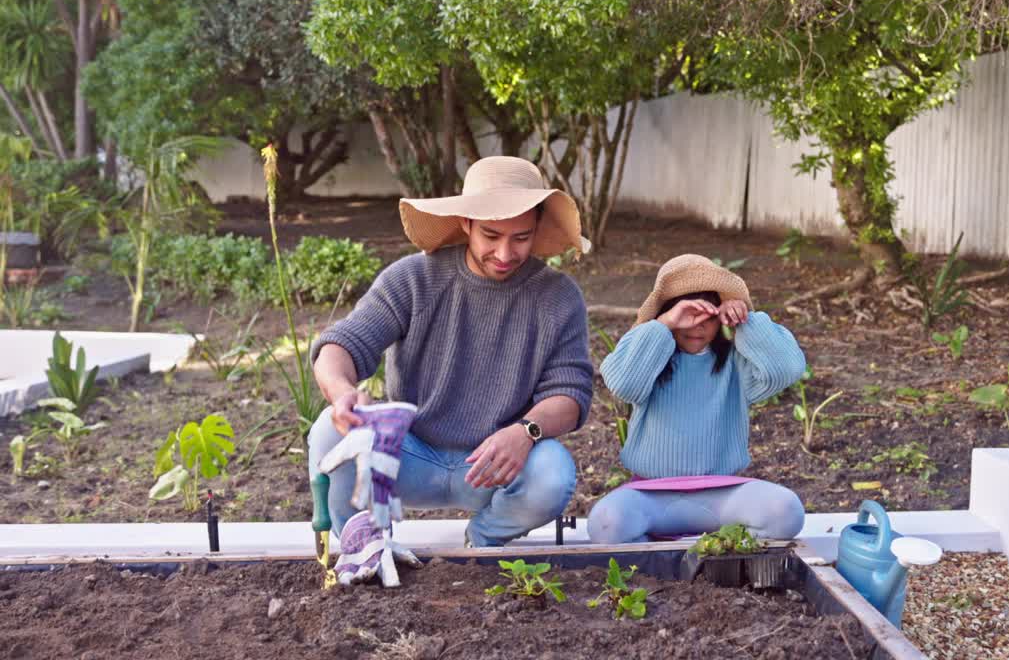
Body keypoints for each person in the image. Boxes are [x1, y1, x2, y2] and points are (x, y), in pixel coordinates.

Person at [308, 156, 594, 548]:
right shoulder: (413, 279)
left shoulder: (558, 297)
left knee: (553, 473)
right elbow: (340, 345)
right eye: (491, 236)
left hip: (494, 462)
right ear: (466, 223)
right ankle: (368, 548)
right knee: (328, 431)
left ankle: (480, 544)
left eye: (521, 237)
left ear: (537, 228)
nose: (506, 253)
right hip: (404, 456)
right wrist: (343, 396)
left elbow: (571, 394)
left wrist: (525, 431)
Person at [587, 254, 807, 544]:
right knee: (606, 523)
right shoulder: (650, 356)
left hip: (722, 496)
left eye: (708, 313)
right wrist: (664, 325)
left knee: (786, 510)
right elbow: (623, 384)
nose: (697, 324)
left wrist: (746, 321)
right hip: (654, 495)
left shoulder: (736, 364)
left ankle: (719, 555)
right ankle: (660, 568)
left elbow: (787, 369)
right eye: (686, 312)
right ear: (665, 312)